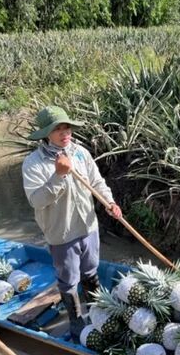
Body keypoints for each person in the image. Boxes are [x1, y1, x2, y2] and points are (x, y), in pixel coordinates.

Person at [21, 105, 122, 341]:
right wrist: (58, 175)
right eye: (58, 129)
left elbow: (97, 182)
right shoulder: (34, 163)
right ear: (46, 133)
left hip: (88, 227)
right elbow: (36, 200)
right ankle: (77, 323)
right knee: (68, 280)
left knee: (91, 271)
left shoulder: (80, 153)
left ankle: (99, 312)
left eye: (67, 127)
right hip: (61, 233)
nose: (65, 132)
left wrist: (110, 202)